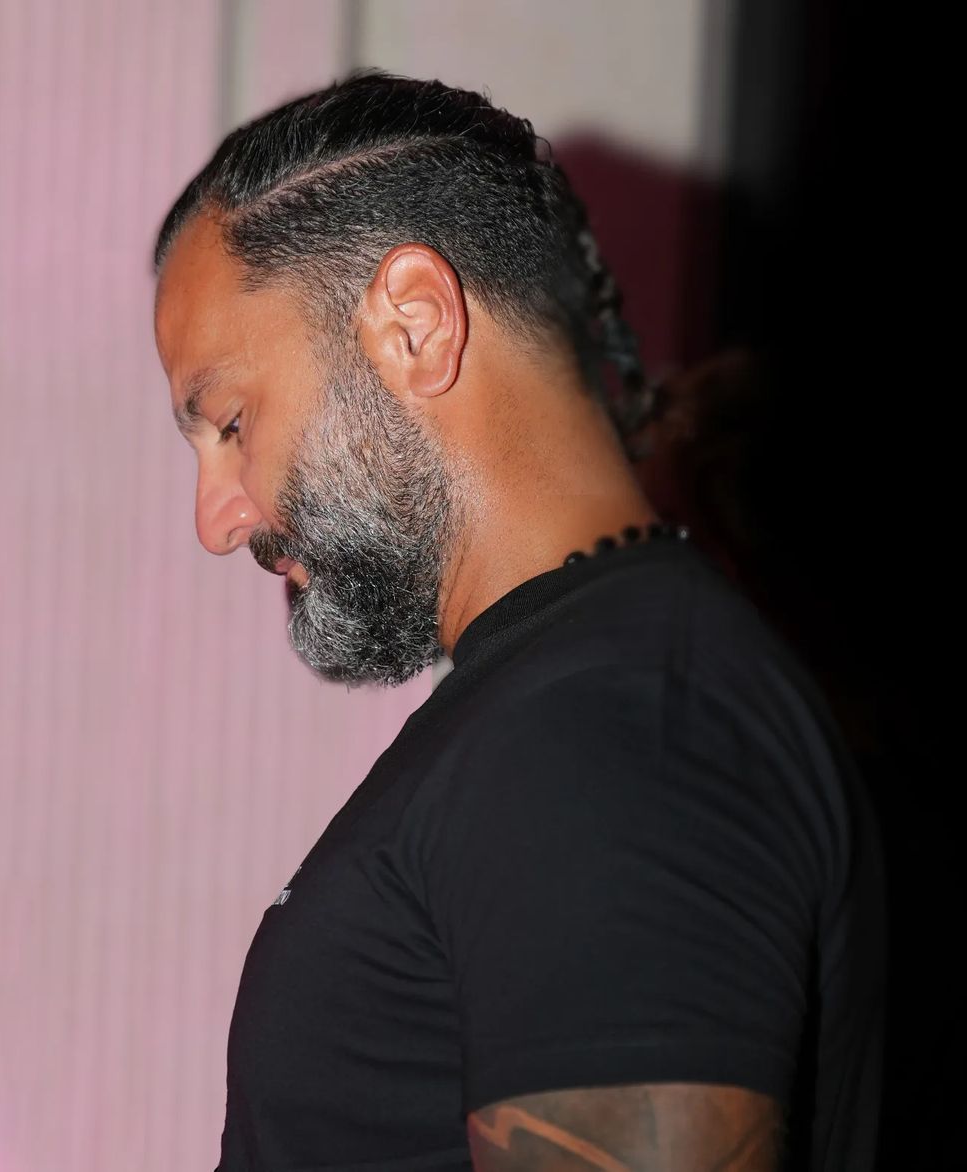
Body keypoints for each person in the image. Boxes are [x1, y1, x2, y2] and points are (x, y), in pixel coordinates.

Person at [152, 72, 883, 1172]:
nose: (219, 519)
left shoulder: (611, 722)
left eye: (230, 423)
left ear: (415, 325)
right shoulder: (582, 696)